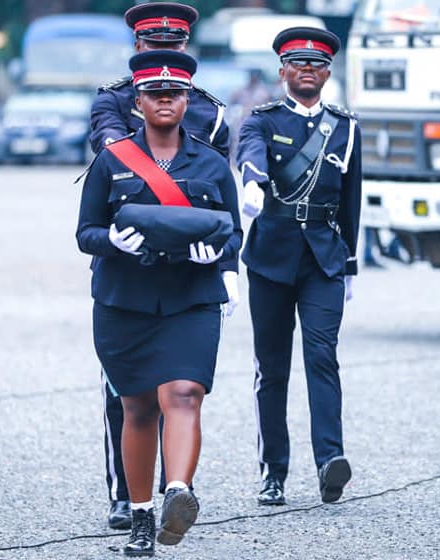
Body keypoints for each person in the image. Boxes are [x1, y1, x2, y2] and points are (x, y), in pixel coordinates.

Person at [76, 50, 242, 557]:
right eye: (154, 93)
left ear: (187, 100)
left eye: (174, 93)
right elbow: (85, 232)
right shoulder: (111, 160)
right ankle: (142, 516)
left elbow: (231, 229)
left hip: (191, 295)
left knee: (186, 393)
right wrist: (114, 243)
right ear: (138, 102)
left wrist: (223, 262)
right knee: (138, 408)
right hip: (125, 298)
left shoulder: (212, 164)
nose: (165, 100)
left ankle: (179, 491)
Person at [236, 27, 361, 506]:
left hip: (323, 259)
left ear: (328, 73)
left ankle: (331, 461)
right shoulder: (262, 119)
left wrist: (350, 265)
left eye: (316, 64)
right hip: (271, 255)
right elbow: (250, 156)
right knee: (272, 368)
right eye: (297, 62)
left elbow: (350, 200)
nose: (307, 70)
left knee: (322, 356)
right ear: (282, 70)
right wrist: (251, 183)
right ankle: (274, 470)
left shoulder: (346, 127)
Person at [90, 2, 230, 158]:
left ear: (185, 46)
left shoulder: (210, 111)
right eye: (154, 44)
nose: (164, 53)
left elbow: (219, 174)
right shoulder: (113, 100)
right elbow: (107, 136)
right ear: (137, 47)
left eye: (173, 44)